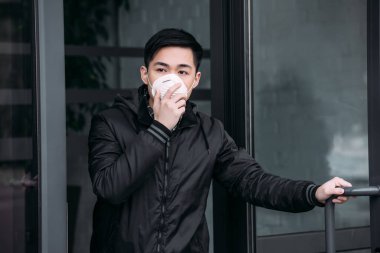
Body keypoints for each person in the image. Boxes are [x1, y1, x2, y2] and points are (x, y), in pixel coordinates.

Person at [88, 28, 351, 253]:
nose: (172, 80)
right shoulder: (111, 122)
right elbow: (110, 187)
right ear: (145, 75)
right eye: (161, 69)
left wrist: (312, 193)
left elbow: (251, 181)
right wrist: (160, 127)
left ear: (194, 80)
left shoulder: (209, 132)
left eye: (182, 71)